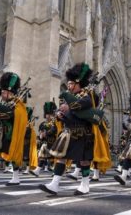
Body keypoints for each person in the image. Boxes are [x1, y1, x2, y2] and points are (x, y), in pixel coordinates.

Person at [39, 63, 98, 195]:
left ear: (78, 83)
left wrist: (69, 108)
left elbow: (85, 105)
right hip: (68, 132)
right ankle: (54, 184)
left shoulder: (85, 96)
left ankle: (85, 184)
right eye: (69, 84)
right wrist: (60, 116)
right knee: (61, 157)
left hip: (82, 133)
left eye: (71, 84)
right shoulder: (70, 98)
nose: (69, 86)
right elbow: (70, 115)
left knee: (84, 160)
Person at [30, 102, 57, 177]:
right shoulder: (42, 123)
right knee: (42, 155)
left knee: (54, 158)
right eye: (47, 114)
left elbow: (54, 130)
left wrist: (47, 133)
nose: (48, 116)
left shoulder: (55, 122)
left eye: (50, 114)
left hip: (54, 142)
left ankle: (55, 171)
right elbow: (40, 131)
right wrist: (40, 135)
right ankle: (37, 171)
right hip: (45, 142)